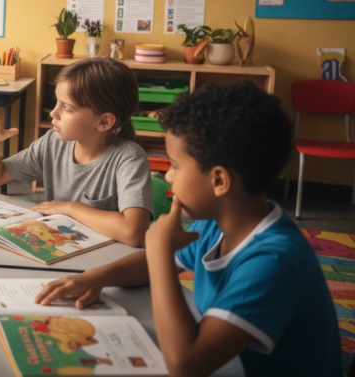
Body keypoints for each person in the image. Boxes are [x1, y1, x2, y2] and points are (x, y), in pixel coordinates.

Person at [34, 82, 343, 377]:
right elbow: (161, 262)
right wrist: (96, 277)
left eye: (175, 166)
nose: (167, 177)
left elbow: (186, 366)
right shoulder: (217, 224)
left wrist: (157, 250)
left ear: (219, 181)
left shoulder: (272, 263)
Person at [0, 57, 152, 246]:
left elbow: (133, 232)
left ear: (104, 122)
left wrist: (69, 208)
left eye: (67, 108)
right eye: (56, 102)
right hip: (60, 248)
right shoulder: (53, 143)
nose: (53, 113)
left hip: (105, 263)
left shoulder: (129, 159)